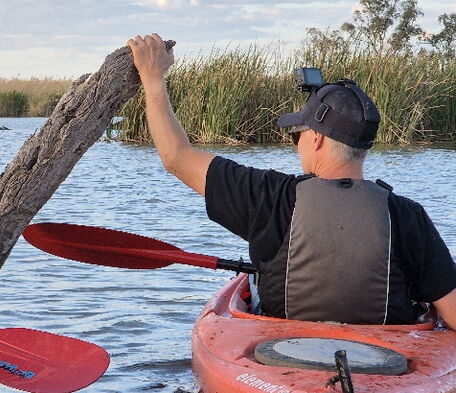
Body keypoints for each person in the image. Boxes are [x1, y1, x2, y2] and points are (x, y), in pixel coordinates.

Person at [126, 34, 456, 326]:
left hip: (280, 354)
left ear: (317, 139)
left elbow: (175, 155)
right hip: (387, 363)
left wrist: (153, 77)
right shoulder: (407, 215)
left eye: (299, 133)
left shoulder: (269, 197)